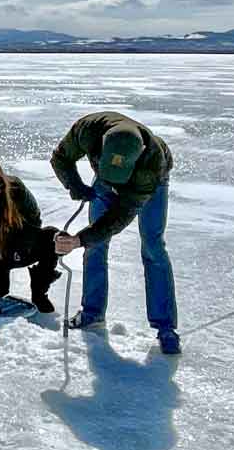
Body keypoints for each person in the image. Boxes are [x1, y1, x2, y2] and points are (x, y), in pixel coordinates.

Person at [51, 112, 179, 354]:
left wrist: (79, 239)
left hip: (151, 183)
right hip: (104, 173)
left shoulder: (151, 165)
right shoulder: (87, 131)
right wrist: (75, 185)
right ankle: (92, 312)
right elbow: (60, 158)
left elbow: (119, 216)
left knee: (153, 245)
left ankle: (166, 328)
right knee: (96, 246)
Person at [0, 157, 61, 313]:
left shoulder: (16, 188)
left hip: (18, 247)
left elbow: (34, 220)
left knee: (54, 237)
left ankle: (40, 290)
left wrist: (19, 248)